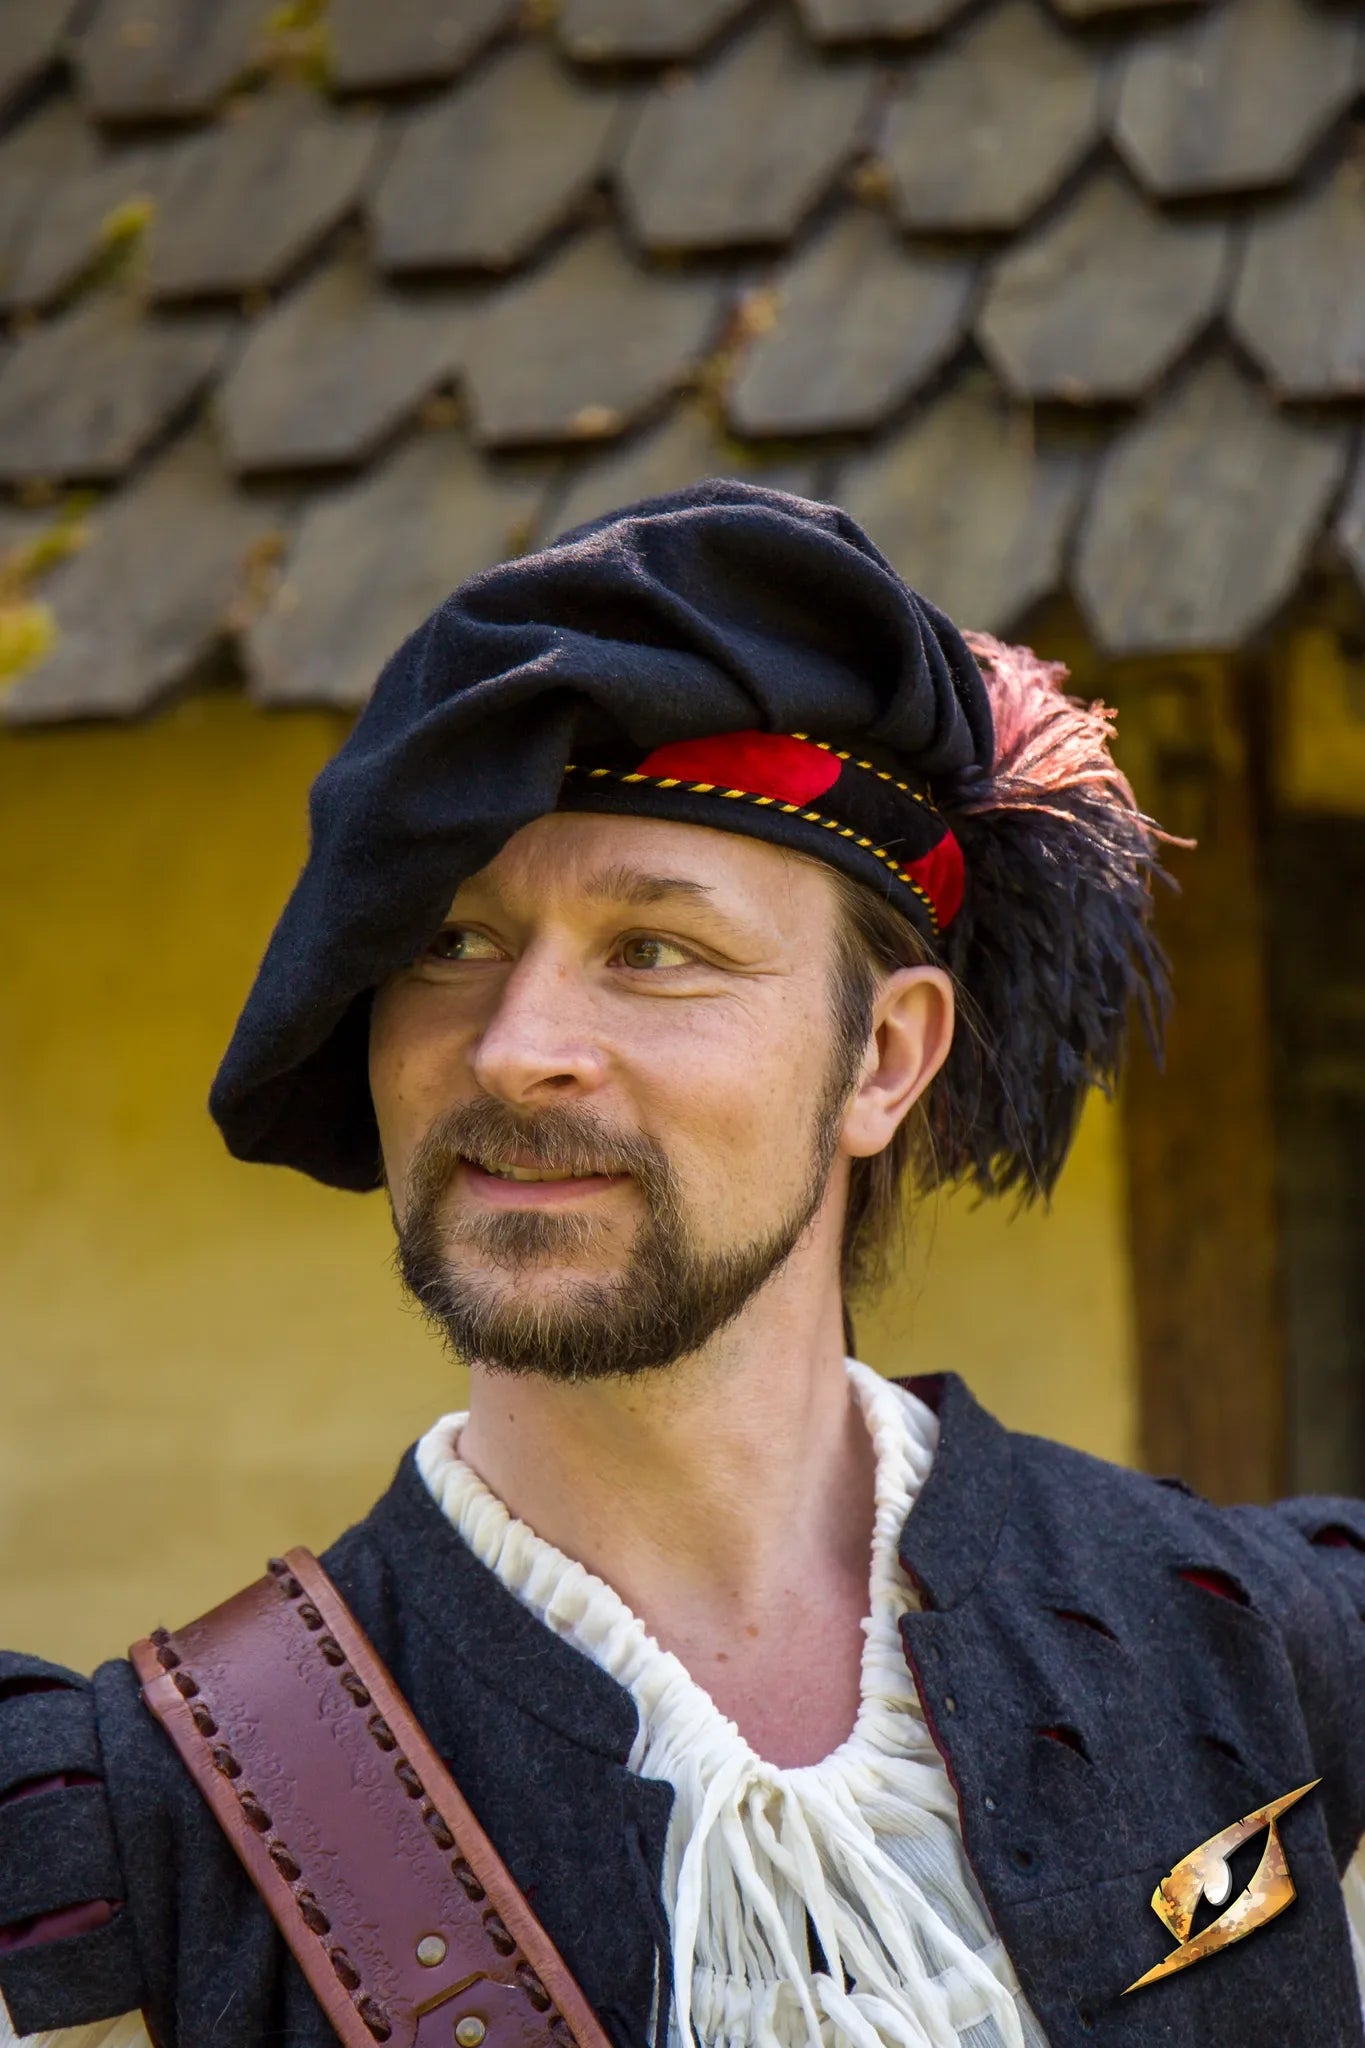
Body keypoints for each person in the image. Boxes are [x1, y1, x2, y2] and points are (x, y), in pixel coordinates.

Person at [4, 482, 1365, 2048]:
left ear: (883, 1060)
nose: (515, 1052)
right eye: (447, 943)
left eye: (655, 951)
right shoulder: (126, 1843)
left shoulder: (1257, 1650)